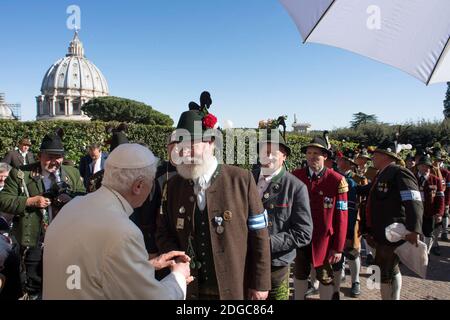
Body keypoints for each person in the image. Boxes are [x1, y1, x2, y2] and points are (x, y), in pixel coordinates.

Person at [43, 144, 191, 300]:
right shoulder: (124, 232)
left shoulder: (72, 206)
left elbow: (90, 269)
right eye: (152, 181)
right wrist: (178, 276)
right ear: (138, 186)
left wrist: (145, 266)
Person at [156, 104, 271, 300]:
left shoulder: (241, 180)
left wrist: (260, 283)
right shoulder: (173, 185)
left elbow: (259, 235)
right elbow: (163, 230)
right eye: (179, 146)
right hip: (188, 288)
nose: (183, 153)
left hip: (233, 287)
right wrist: (177, 261)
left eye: (190, 145)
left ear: (210, 143)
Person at [0, 129, 85, 299]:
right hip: (34, 243)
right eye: (50, 157)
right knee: (34, 288)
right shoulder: (20, 174)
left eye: (58, 157)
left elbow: (85, 198)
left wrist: (71, 199)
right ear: (40, 156)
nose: (54, 162)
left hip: (68, 243)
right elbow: (3, 200)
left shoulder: (72, 173)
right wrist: (30, 202)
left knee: (69, 286)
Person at [253, 130, 313, 300]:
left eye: (274, 152)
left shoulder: (296, 187)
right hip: (245, 260)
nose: (268, 156)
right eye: (264, 151)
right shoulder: (246, 180)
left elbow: (304, 233)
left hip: (276, 265)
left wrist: (266, 243)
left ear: (284, 156)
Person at [363, 142, 423, 300]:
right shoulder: (381, 173)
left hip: (393, 231)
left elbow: (413, 201)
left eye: (375, 154)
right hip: (381, 231)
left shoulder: (399, 172)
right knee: (388, 268)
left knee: (386, 270)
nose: (372, 157)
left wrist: (413, 229)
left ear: (385, 156)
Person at [292, 136, 348, 300]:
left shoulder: (337, 180)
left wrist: (338, 247)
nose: (311, 156)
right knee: (299, 274)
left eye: (316, 153)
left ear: (325, 156)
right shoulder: (296, 176)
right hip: (299, 237)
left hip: (324, 240)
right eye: (309, 153)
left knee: (325, 277)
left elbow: (342, 216)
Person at [336, 149, 361, 298]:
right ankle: (338, 281)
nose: (339, 162)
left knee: (352, 253)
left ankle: (356, 281)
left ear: (349, 164)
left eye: (342, 160)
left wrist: (350, 231)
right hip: (337, 220)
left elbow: (351, 209)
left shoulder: (354, 180)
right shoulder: (335, 176)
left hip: (351, 221)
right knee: (339, 253)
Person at [415, 155, 445, 255]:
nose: (426, 168)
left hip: (429, 211)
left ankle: (425, 253)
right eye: (423, 166)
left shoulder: (436, 180)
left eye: (428, 166)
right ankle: (416, 253)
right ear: (418, 166)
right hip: (415, 212)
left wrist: (439, 213)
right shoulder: (412, 178)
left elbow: (440, 198)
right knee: (415, 232)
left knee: (428, 233)